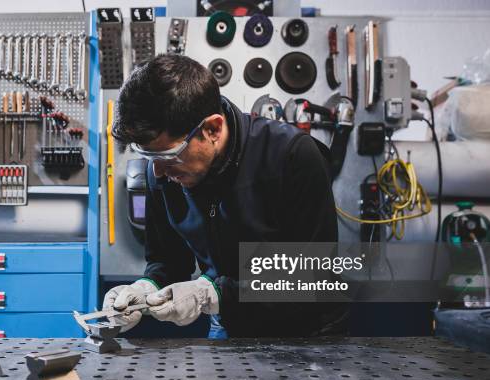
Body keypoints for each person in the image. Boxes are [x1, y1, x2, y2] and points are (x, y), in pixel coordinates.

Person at [103, 54, 347, 337]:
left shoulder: (293, 156)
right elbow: (168, 260)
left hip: (308, 331)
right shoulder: (162, 172)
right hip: (229, 324)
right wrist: (146, 288)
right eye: (148, 156)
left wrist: (213, 293)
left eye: (169, 155)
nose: (157, 172)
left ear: (213, 129)